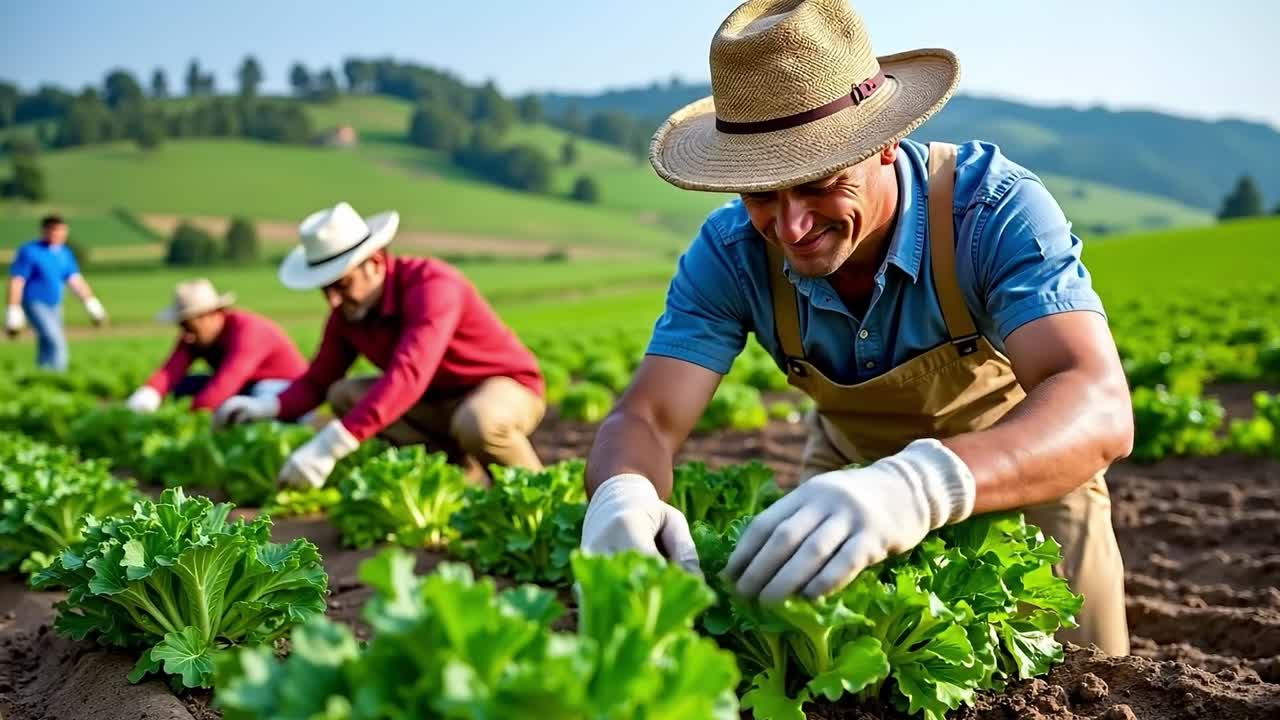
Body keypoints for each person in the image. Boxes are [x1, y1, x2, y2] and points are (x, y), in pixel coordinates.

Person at [579, 0, 1133, 655]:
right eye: (760, 193)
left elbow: (1096, 403)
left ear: (883, 144)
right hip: (848, 480)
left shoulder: (990, 209)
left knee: (1082, 683)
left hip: (1026, 471)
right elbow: (646, 417)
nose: (790, 228)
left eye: (817, 185)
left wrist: (918, 485)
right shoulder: (729, 254)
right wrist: (622, 495)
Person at [214, 201, 546, 489]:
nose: (333, 300)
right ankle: (456, 478)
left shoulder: (432, 285)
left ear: (374, 262)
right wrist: (266, 407)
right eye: (325, 289)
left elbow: (409, 374)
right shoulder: (348, 313)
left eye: (341, 284)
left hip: (504, 386)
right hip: (434, 400)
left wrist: (331, 445)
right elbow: (319, 381)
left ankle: (539, 496)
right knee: (343, 394)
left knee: (479, 422)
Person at [123, 279, 308, 413]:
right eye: (182, 326)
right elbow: (170, 372)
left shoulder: (248, 331)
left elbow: (227, 381)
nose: (186, 334)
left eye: (189, 325)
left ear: (209, 315)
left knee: (263, 393)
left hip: (288, 389)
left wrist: (189, 419)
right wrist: (146, 397)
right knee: (184, 386)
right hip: (246, 387)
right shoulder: (193, 338)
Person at [5, 214, 107, 370]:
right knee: (56, 341)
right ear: (44, 231)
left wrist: (91, 304)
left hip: (55, 304)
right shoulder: (30, 251)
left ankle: (42, 374)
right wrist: (13, 309)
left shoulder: (65, 253)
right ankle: (59, 376)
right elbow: (17, 281)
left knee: (47, 342)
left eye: (62, 231)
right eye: (54, 231)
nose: (58, 234)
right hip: (35, 302)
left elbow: (75, 280)